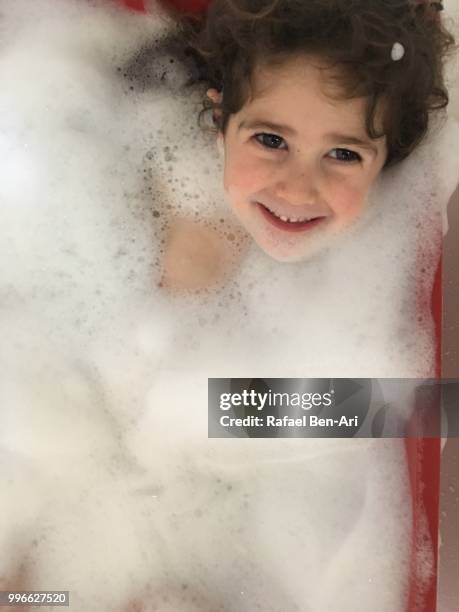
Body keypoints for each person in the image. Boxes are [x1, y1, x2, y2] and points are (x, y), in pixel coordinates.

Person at [158, 0, 456, 291]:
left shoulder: (392, 250)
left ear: (390, 158)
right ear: (219, 119)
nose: (297, 192)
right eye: (271, 140)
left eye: (343, 154)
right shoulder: (196, 245)